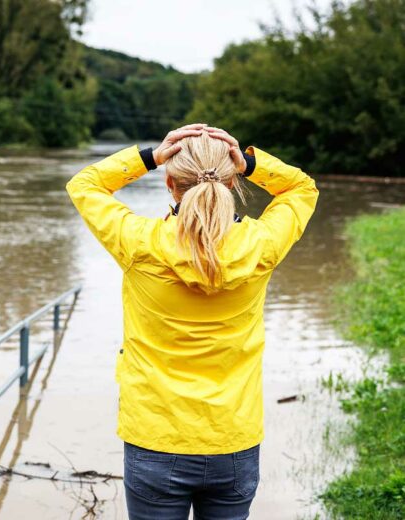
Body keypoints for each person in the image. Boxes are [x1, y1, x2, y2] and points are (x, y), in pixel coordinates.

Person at [66, 123, 319, 520]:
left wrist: (148, 156)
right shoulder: (261, 245)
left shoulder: (139, 243)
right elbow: (302, 188)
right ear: (233, 183)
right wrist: (251, 162)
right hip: (232, 440)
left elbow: (85, 185)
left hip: (155, 439)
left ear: (170, 183)